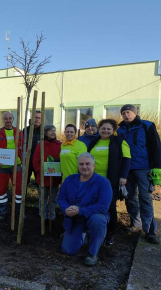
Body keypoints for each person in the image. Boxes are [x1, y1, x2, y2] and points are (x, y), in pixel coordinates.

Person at [57, 153, 112, 266]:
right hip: (75, 219)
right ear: (78, 166)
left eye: (88, 164)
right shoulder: (69, 180)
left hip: (94, 216)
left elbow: (103, 206)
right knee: (68, 250)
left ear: (94, 165)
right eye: (81, 164)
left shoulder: (103, 183)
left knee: (98, 221)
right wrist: (66, 209)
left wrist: (80, 210)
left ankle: (93, 253)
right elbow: (61, 198)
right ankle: (83, 236)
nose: (84, 167)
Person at [117, 104, 161, 244]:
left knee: (145, 197)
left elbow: (156, 147)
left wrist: (156, 168)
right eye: (123, 113)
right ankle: (135, 224)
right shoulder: (120, 129)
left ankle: (150, 230)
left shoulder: (147, 126)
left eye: (128, 112)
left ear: (135, 113)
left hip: (144, 168)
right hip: (127, 169)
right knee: (129, 197)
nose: (126, 115)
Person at [88, 119, 131, 245]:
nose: (105, 131)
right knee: (93, 203)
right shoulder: (94, 141)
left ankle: (110, 233)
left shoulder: (120, 142)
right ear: (99, 129)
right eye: (103, 128)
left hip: (110, 180)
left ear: (113, 130)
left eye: (108, 129)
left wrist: (123, 176)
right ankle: (95, 230)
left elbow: (127, 160)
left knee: (110, 206)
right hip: (93, 179)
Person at [0, 111, 24, 220]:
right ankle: (3, 212)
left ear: (13, 119)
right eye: (6, 118)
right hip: (2, 167)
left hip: (17, 166)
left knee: (19, 191)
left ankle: (18, 212)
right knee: (1, 191)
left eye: (10, 118)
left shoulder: (19, 132)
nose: (8, 120)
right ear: (3, 120)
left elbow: (23, 149)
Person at [33, 124, 61, 219]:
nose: (53, 132)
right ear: (45, 133)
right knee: (43, 199)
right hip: (43, 178)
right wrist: (40, 171)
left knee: (52, 199)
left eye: (54, 130)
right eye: (50, 131)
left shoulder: (59, 145)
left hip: (54, 178)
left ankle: (51, 215)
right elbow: (36, 161)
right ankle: (43, 216)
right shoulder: (41, 145)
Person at [24, 111, 42, 185]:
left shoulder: (44, 131)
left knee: (40, 183)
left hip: (39, 162)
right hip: (27, 161)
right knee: (24, 182)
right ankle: (23, 196)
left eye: (39, 118)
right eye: (35, 117)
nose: (37, 119)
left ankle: (40, 196)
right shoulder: (25, 130)